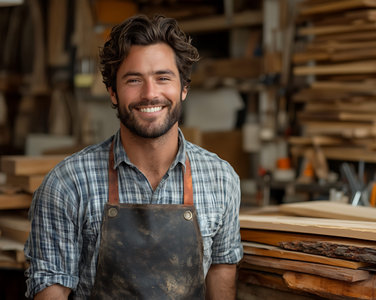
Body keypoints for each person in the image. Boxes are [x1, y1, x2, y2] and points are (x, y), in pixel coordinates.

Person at [24, 14, 243, 299]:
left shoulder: (221, 179)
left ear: (184, 88)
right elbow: (50, 291)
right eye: (133, 80)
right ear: (113, 92)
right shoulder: (67, 184)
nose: (150, 94)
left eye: (163, 78)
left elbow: (221, 275)